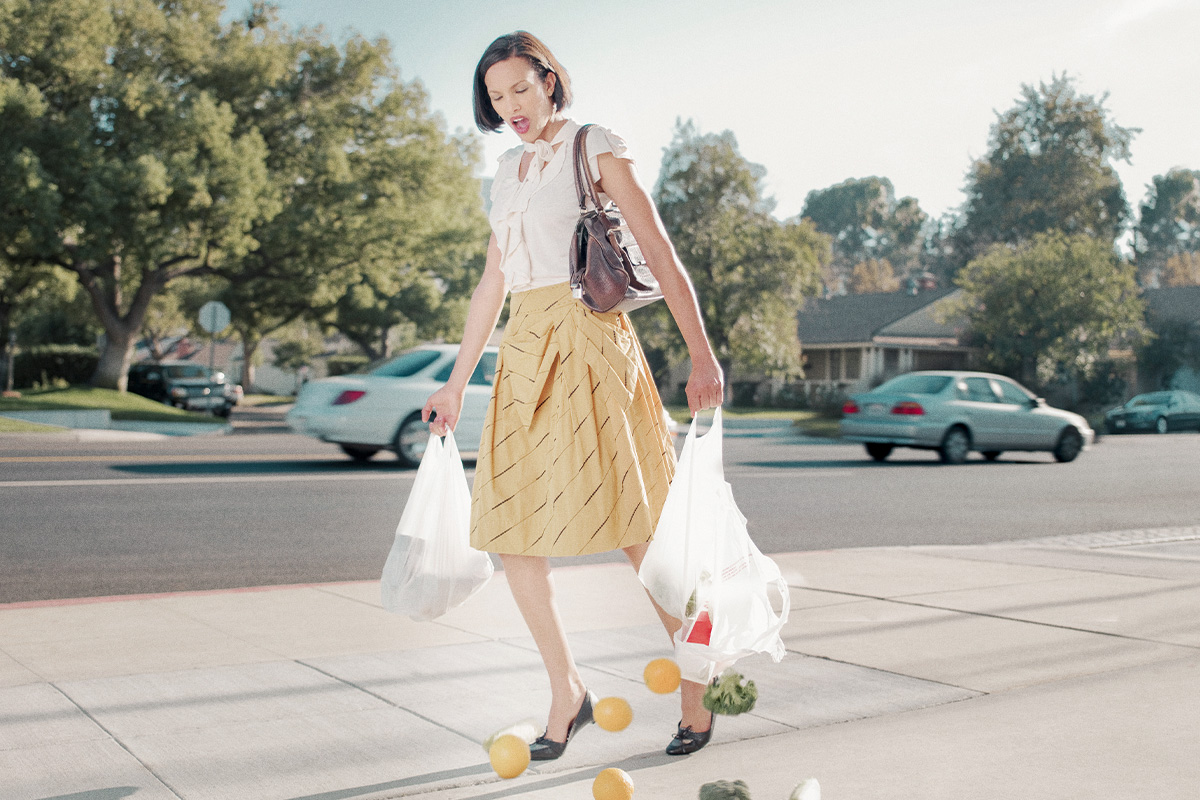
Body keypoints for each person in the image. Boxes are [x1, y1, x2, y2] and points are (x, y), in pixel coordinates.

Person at [422, 31, 724, 759]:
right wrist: (457, 381)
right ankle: (567, 691)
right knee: (513, 532)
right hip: (524, 355)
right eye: (496, 97)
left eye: (521, 89)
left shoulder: (593, 146)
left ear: (551, 81)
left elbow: (656, 248)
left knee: (635, 526)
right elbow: (494, 282)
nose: (511, 107)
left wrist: (702, 352)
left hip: (591, 344)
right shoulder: (506, 171)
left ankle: (697, 676)